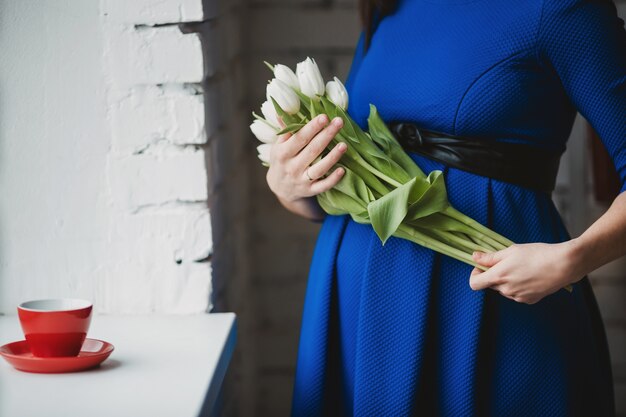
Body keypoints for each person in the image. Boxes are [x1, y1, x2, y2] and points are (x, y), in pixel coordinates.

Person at [265, 0, 626, 415]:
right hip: (356, 310)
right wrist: (290, 188)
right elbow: (346, 192)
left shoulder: (563, 9)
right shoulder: (389, 6)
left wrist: (573, 259)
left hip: (491, 312)